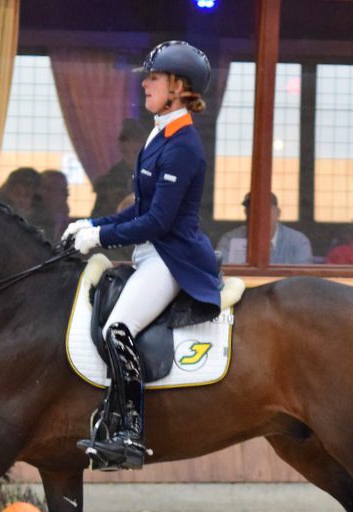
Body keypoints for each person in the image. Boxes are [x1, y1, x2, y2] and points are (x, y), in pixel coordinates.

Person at [60, 40, 220, 471]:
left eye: (154, 78)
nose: (145, 84)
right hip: (151, 250)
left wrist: (100, 238)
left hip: (172, 257)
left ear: (180, 87)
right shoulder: (159, 134)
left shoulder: (184, 144)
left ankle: (130, 434)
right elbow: (140, 208)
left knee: (118, 329)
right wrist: (92, 224)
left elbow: (159, 222)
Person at [215, 192, 313, 265]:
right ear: (246, 213)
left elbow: (302, 279)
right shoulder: (230, 239)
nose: (260, 214)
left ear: (278, 213)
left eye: (266, 208)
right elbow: (222, 272)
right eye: (253, 209)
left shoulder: (298, 241)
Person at [90, 118, 147, 218]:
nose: (130, 157)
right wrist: (109, 205)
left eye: (135, 152)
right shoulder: (111, 178)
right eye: (125, 152)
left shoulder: (154, 174)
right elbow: (96, 217)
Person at [31, 169, 71, 240]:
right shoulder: (29, 219)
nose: (67, 194)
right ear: (43, 191)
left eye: (66, 190)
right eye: (62, 190)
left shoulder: (62, 212)